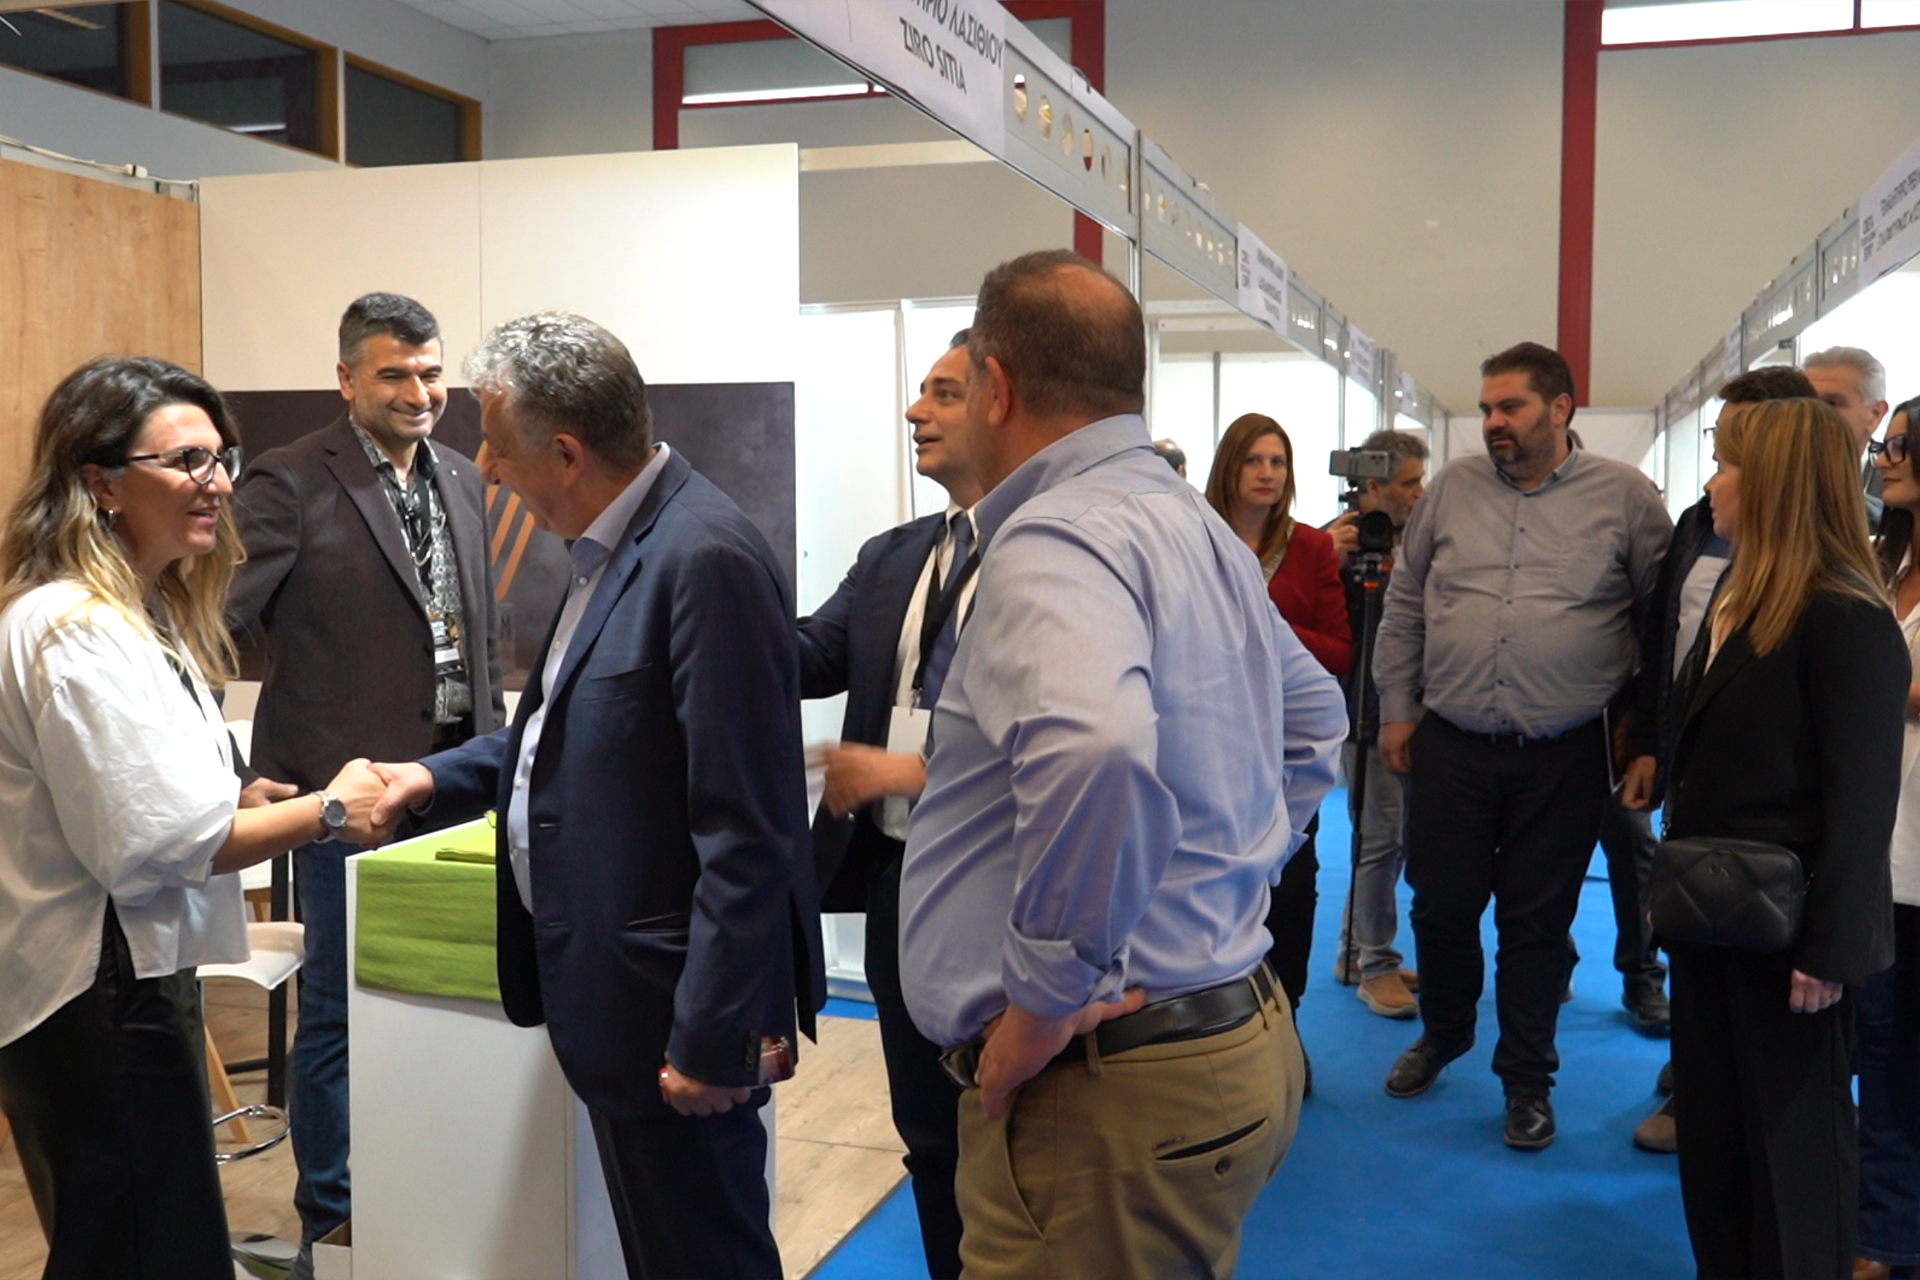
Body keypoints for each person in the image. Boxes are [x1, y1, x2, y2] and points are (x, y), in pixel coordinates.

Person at [899, 250, 1347, 1279]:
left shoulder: (1057, 535)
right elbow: (1316, 716)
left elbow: (1097, 752)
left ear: (998, 385)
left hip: (1104, 1092)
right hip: (1221, 1034)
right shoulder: (1195, 524)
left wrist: (1044, 1001)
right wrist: (1233, 872)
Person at [368, 312, 824, 1280]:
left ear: (568, 453)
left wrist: (711, 1036)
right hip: (624, 1011)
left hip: (674, 1022)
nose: (485, 466)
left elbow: (748, 831)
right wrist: (435, 775)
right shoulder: (609, 551)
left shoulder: (702, 558)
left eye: (498, 443)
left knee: (707, 1260)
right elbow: (577, 737)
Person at [0, 357, 386, 1276]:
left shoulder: (132, 612)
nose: (216, 483)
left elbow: (136, 798)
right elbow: (163, 844)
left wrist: (234, 800)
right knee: (142, 1252)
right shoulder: (76, 629)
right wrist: (331, 809)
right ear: (101, 484)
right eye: (184, 461)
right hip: (98, 992)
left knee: (140, 1245)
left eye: (220, 458)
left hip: (121, 976)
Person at [225, 292, 505, 1255]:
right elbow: (207, 623)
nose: (419, 392)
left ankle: (424, 1193)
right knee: (341, 1015)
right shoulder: (290, 479)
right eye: (394, 374)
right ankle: (334, 1223)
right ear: (346, 379)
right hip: (346, 801)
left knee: (445, 998)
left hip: (455, 788)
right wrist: (236, 771)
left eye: (431, 373)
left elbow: (477, 635)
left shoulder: (463, 475)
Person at [1373, 341, 1671, 1150]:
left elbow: (1660, 624)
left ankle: (1528, 1080)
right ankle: (1445, 1031)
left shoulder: (1625, 497)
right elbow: (1406, 603)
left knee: (1537, 924)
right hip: (1452, 740)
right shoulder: (1451, 490)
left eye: (1510, 407)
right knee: (1440, 904)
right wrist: (1396, 709)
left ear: (1560, 408)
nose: (1493, 422)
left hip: (1565, 750)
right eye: (1487, 409)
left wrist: (1646, 737)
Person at [1664, 397, 1905, 1280]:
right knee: (1717, 1146)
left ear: (1774, 484)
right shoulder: (1743, 597)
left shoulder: (1847, 615)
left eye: (1727, 465)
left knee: (1792, 1159)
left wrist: (1832, 949)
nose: (1712, 483)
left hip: (1792, 936)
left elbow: (1862, 800)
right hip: (1713, 919)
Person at [796, 331, 983, 1279]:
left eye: (944, 393)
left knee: (1007, 1139)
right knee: (928, 1134)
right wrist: (706, 603)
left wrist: (912, 772)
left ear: (1002, 402)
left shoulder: (1052, 557)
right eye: (920, 391)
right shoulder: (896, 555)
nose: (916, 411)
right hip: (897, 880)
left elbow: (1070, 757)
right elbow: (809, 654)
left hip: (999, 890)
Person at [1621, 363, 1818, 1154]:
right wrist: (1648, 740)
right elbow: (1664, 632)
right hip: (1687, 756)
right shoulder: (1698, 522)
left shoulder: (1814, 561)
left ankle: (1722, 1094)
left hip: (1762, 789)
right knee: (1693, 915)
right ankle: (1694, 1071)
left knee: (1748, 931)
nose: (1714, 468)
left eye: (1732, 447)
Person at [1205, 412, 1351, 1037]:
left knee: (1291, 887)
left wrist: (1269, 632)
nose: (1267, 474)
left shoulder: (1311, 546)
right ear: (1228, 467)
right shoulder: (1196, 535)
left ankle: (1286, 1026)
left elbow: (1340, 651)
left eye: (1279, 462)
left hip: (1286, 747)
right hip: (1209, 741)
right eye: (1253, 460)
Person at [1325, 428, 1427, 1018]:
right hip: (1360, 708)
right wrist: (1328, 560)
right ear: (1372, 487)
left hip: (1403, 707)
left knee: (1388, 838)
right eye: (1409, 483)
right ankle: (1377, 964)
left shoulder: (1414, 542)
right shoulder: (1333, 543)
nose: (1419, 492)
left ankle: (1354, 951)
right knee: (1380, 839)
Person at [1861, 396, 1920, 1280]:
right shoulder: (1881, 560)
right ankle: (1885, 1233)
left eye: (1903, 443)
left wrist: (1869, 685)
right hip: (1878, 849)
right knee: (1880, 1049)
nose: (1886, 457)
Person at [1804, 345, 1891, 523]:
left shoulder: (1896, 498)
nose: (1812, 415)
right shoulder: (1767, 491)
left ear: (1875, 415)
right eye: (1806, 403)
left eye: (1831, 404)